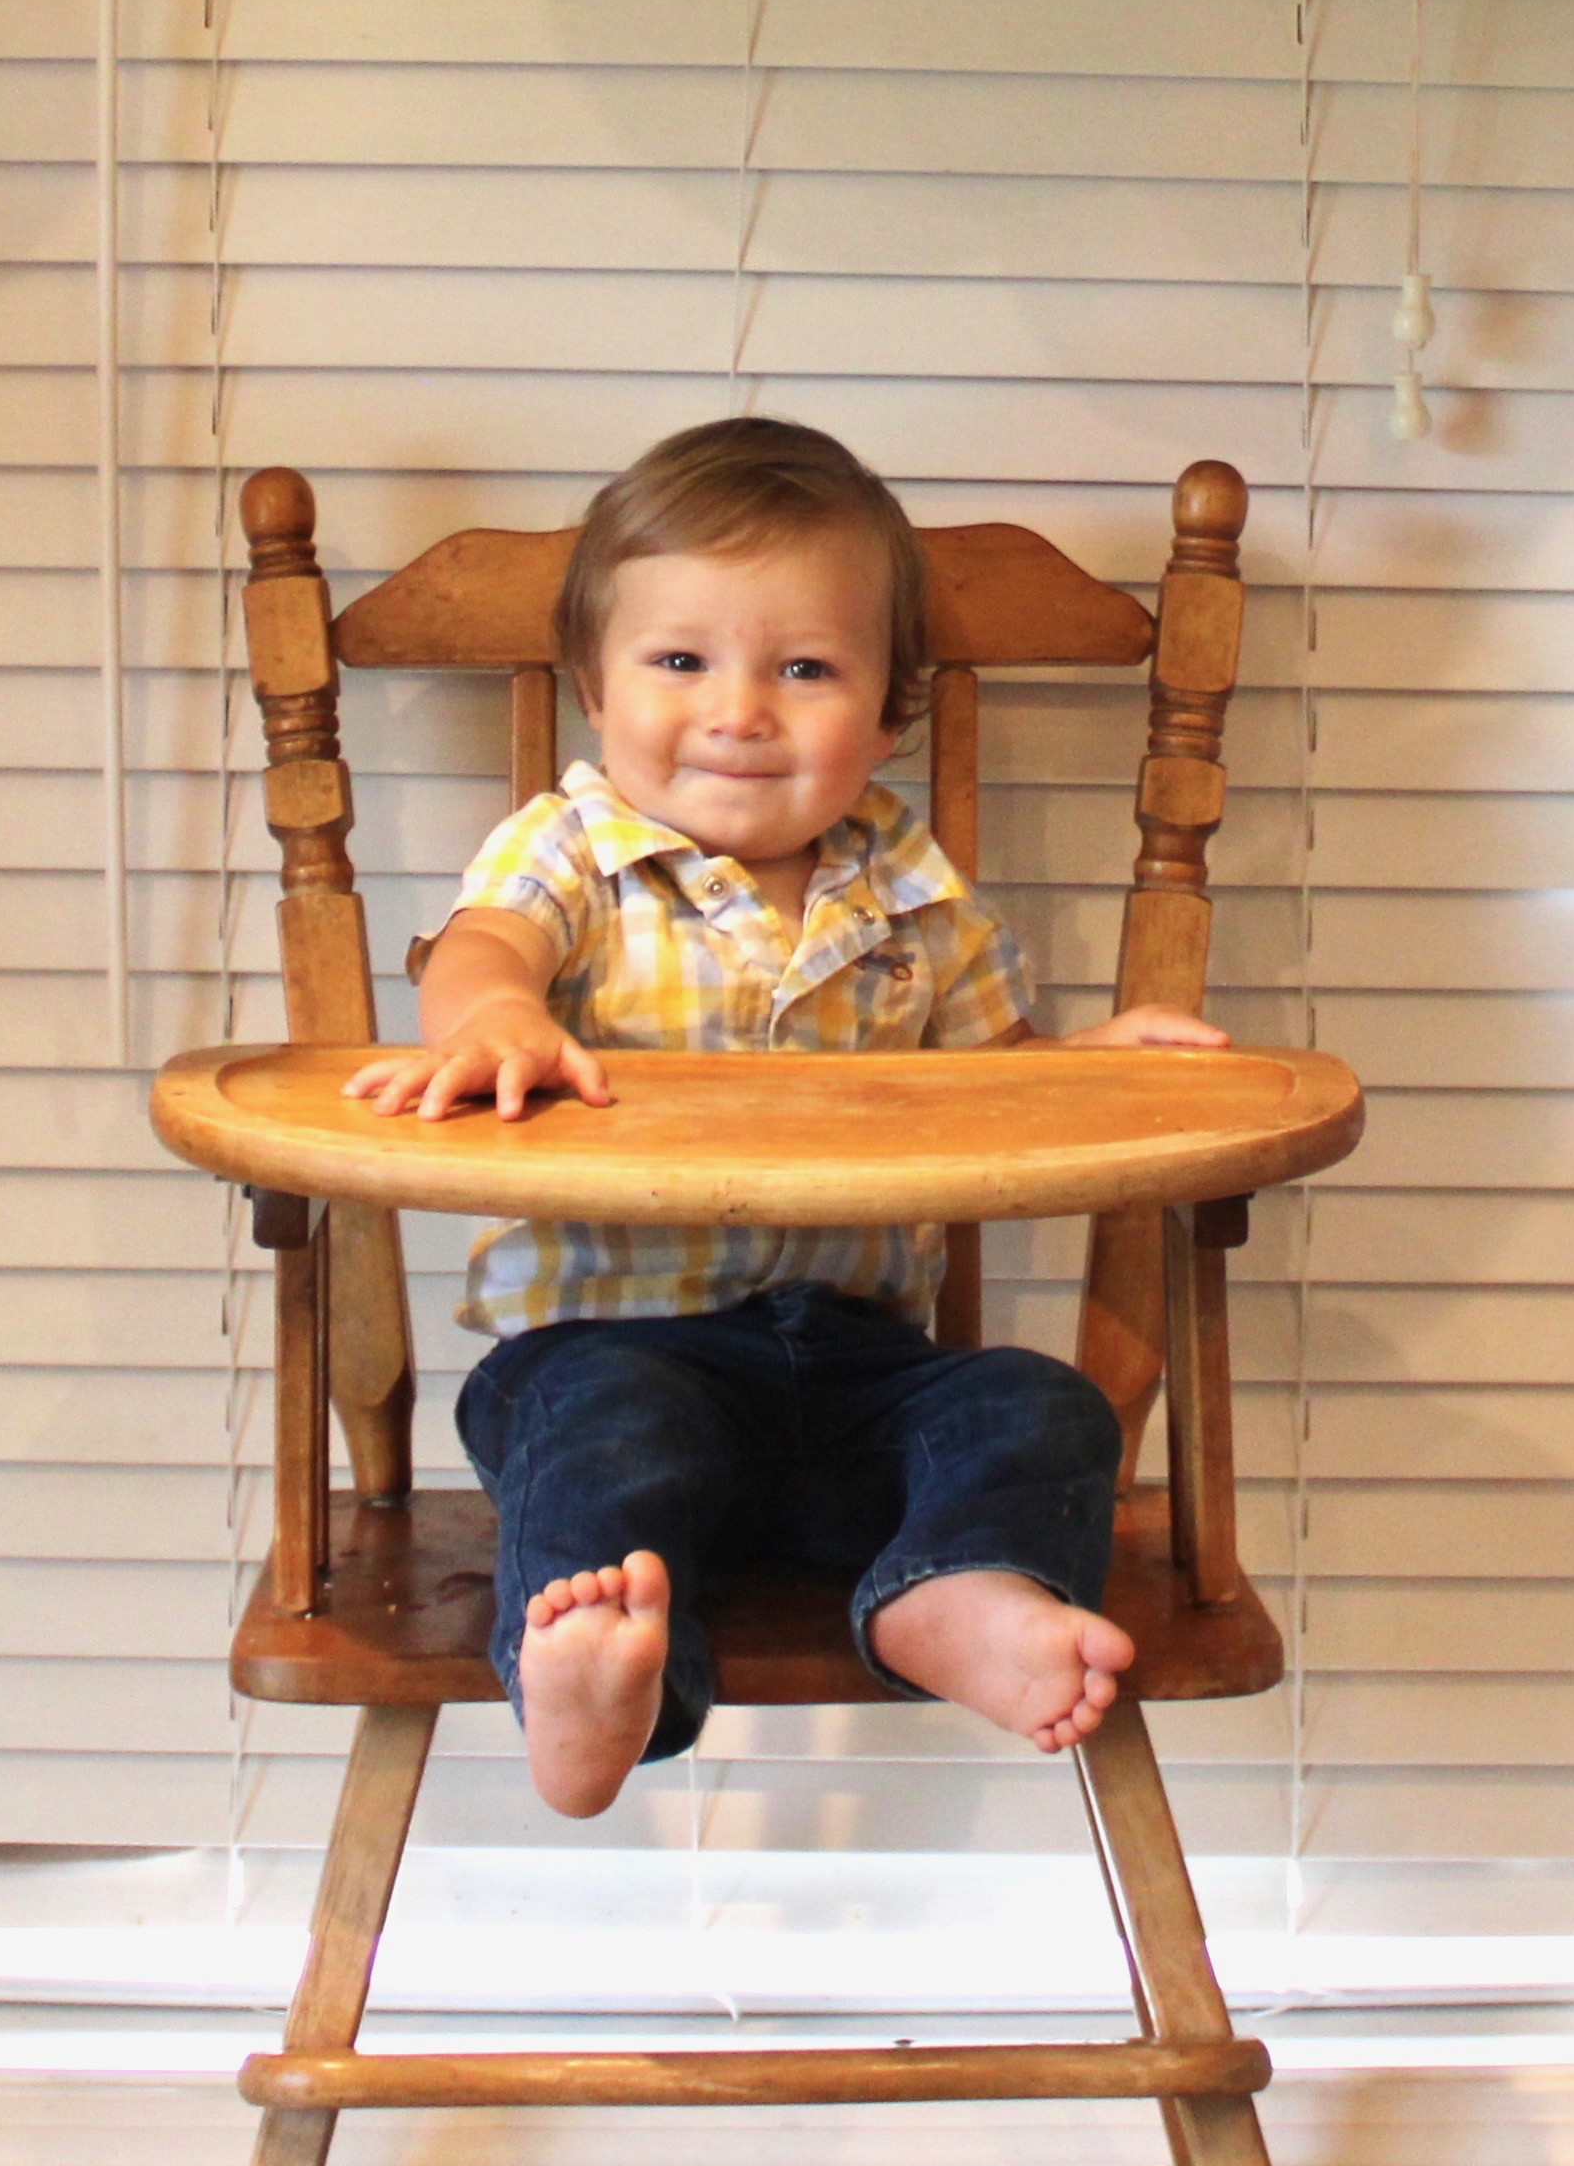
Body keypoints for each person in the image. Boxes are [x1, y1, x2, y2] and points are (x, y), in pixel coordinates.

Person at [347, 414, 1229, 1816]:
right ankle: (589, 1688)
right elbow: (485, 946)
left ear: (889, 714)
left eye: (804, 668)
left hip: (856, 1381)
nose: (739, 709)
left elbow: (994, 1085)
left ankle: (948, 1598)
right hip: (609, 1351)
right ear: (593, 684)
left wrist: (1091, 1065)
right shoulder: (574, 846)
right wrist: (496, 1016)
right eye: (679, 660)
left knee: (1033, 1404)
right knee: (603, 1446)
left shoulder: (911, 888)